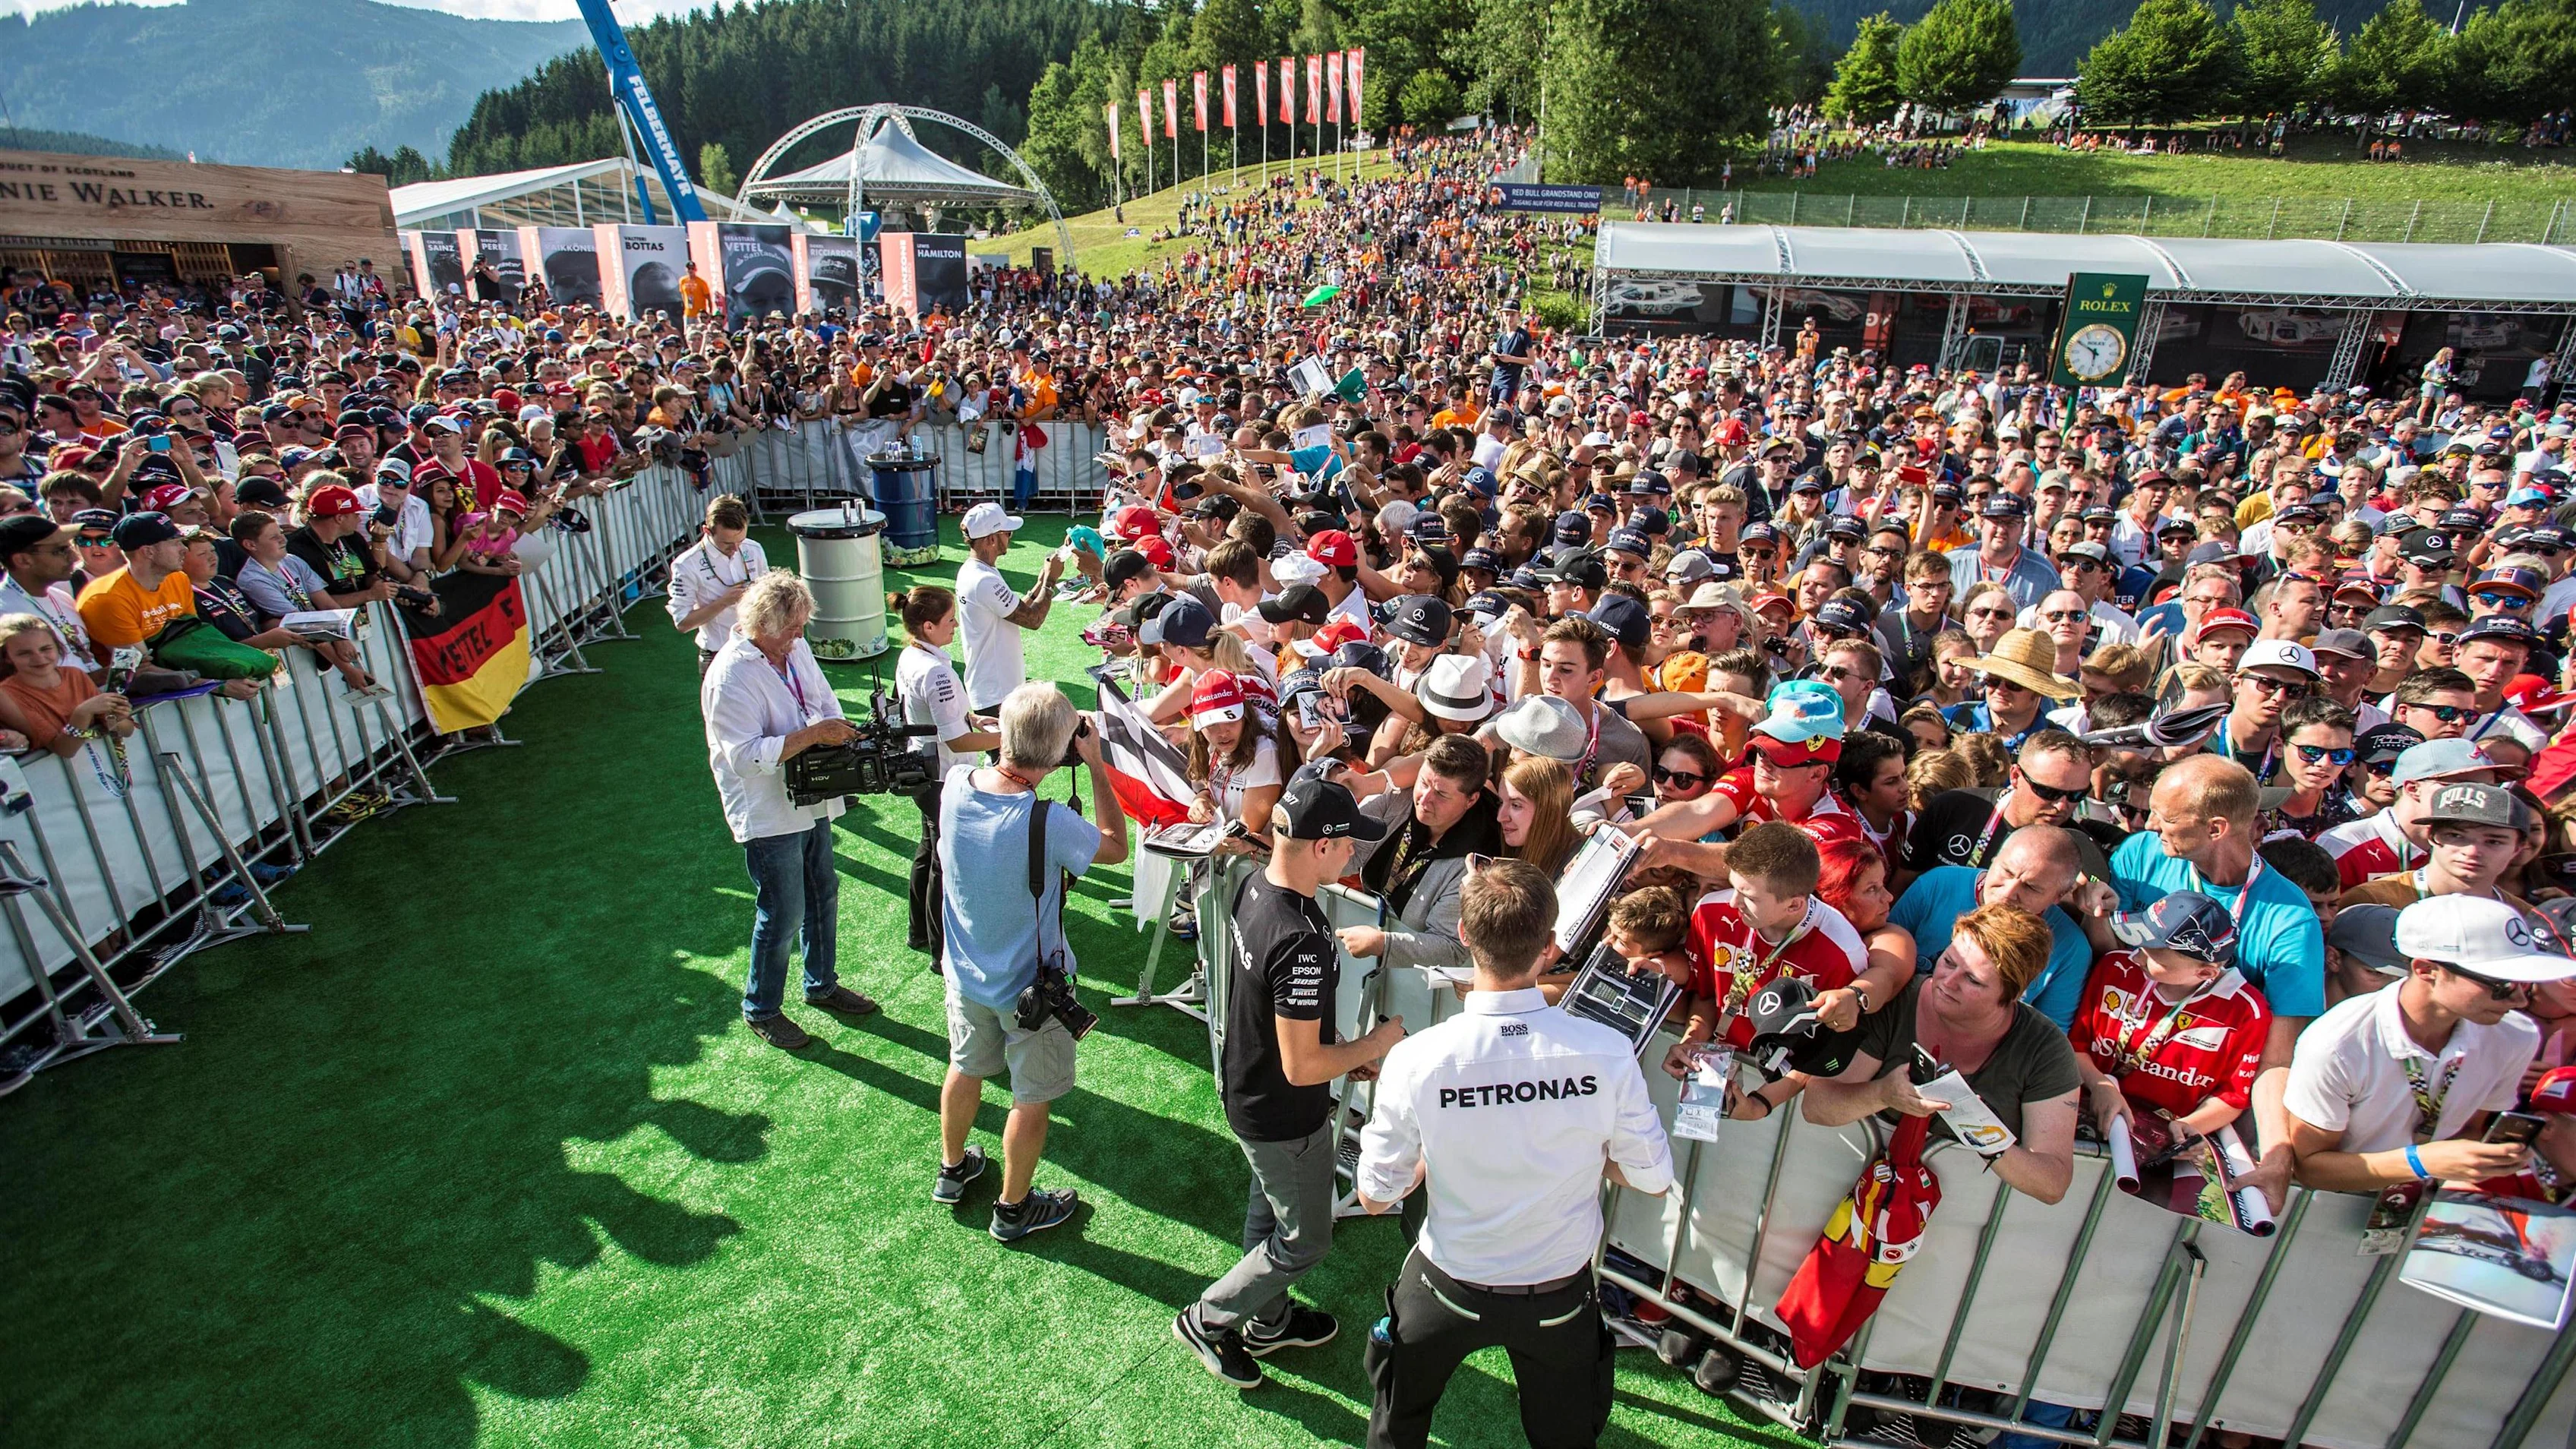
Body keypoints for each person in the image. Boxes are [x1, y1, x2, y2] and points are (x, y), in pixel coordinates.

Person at [1353, 857, 1673, 1449]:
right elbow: (1652, 1179)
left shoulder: (1418, 1058)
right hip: (1559, 1297)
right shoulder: (1606, 1051)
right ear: (1550, 946)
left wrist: (1436, 1155)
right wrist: (1586, 1149)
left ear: (1467, 936)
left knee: (1395, 1429)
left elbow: (1374, 1196)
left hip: (1448, 1283)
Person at [1176, 773, 1406, 1387]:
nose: (1356, 853)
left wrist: (1339, 1051)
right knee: (1305, 1240)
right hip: (1283, 1111)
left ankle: (1268, 1320)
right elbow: (1302, 1066)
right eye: (1350, 843)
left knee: (1270, 1207)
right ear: (1321, 847)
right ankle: (1209, 1318)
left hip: (1248, 1089)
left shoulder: (1258, 886)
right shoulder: (1301, 939)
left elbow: (1292, 1038)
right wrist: (1375, 1044)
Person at [935, 681, 1129, 1242]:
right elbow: (1116, 846)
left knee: (964, 1067)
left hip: (965, 974)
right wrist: (1095, 766)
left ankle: (952, 1171)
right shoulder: (1046, 820)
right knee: (1031, 1098)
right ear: (1060, 753)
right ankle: (1014, 1209)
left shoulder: (954, 786)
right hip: (1031, 992)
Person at [2282, 895, 2571, 1191]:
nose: (2519, 1000)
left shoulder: (2517, 1035)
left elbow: (2471, 1129)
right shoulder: (2337, 1044)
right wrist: (2421, 1162)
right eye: (2500, 986)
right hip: (2328, 1206)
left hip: (2425, 1206)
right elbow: (2310, 1167)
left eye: (2523, 983)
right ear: (2426, 970)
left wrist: (2482, 1159)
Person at [701, 571, 879, 1050]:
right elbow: (744, 756)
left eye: (802, 626)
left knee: (823, 892)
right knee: (783, 911)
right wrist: (813, 736)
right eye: (792, 628)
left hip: (809, 795)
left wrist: (826, 731)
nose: (799, 637)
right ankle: (761, 1008)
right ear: (762, 623)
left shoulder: (791, 648)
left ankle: (820, 984)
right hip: (768, 811)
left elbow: (822, 699)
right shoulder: (730, 675)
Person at [1801, 901, 2083, 1204]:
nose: (1947, 983)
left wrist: (1978, 1128)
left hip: (1958, 1224)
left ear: (2011, 995)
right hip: (1839, 1195)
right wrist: (1883, 1094)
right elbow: (1816, 1104)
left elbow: (2053, 1183)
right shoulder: (1897, 1000)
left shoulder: (2044, 1048)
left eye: (1973, 980)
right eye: (1948, 962)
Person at [2069, 891, 2271, 1146]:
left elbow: (2231, 1096)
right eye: (2140, 944)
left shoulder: (2247, 1011)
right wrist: (2100, 1086)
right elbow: (2074, 1046)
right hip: (2085, 1116)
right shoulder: (2115, 969)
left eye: (2153, 955)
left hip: (2162, 1139)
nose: (2137, 957)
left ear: (2205, 972)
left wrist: (2190, 1126)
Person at [1888, 828, 2100, 1028]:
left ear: (2058, 897)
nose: (2009, 892)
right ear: (1994, 858)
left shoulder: (2071, 949)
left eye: (2031, 887)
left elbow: (2046, 1036)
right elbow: (1881, 953)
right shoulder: (1937, 884)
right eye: (2006, 872)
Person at [892, 584, 998, 959]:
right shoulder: (937, 672)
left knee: (927, 851)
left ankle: (918, 932)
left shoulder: (910, 656)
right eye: (949, 620)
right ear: (928, 627)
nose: (955, 625)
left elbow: (940, 720)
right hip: (942, 776)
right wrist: (1009, 738)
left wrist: (973, 719)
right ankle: (942, 952)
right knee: (944, 859)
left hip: (923, 769)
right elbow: (957, 741)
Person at [954, 501, 1065, 712]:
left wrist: (1039, 585)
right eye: (1007, 533)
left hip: (992, 689)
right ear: (992, 539)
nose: (1010, 538)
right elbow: (1033, 620)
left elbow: (1013, 611)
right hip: (997, 694)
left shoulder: (975, 570)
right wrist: (1050, 582)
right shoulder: (984, 580)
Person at [73, 510, 194, 664]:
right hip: (134, 684)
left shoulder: (178, 579)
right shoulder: (106, 599)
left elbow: (192, 637)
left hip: (180, 667)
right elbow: (139, 668)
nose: (185, 549)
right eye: (176, 543)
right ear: (148, 552)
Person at [668, 493, 767, 674]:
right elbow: (682, 623)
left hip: (759, 649)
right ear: (707, 531)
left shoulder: (754, 549)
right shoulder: (686, 565)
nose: (736, 549)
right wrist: (723, 602)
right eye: (727, 543)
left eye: (741, 540)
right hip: (718, 655)